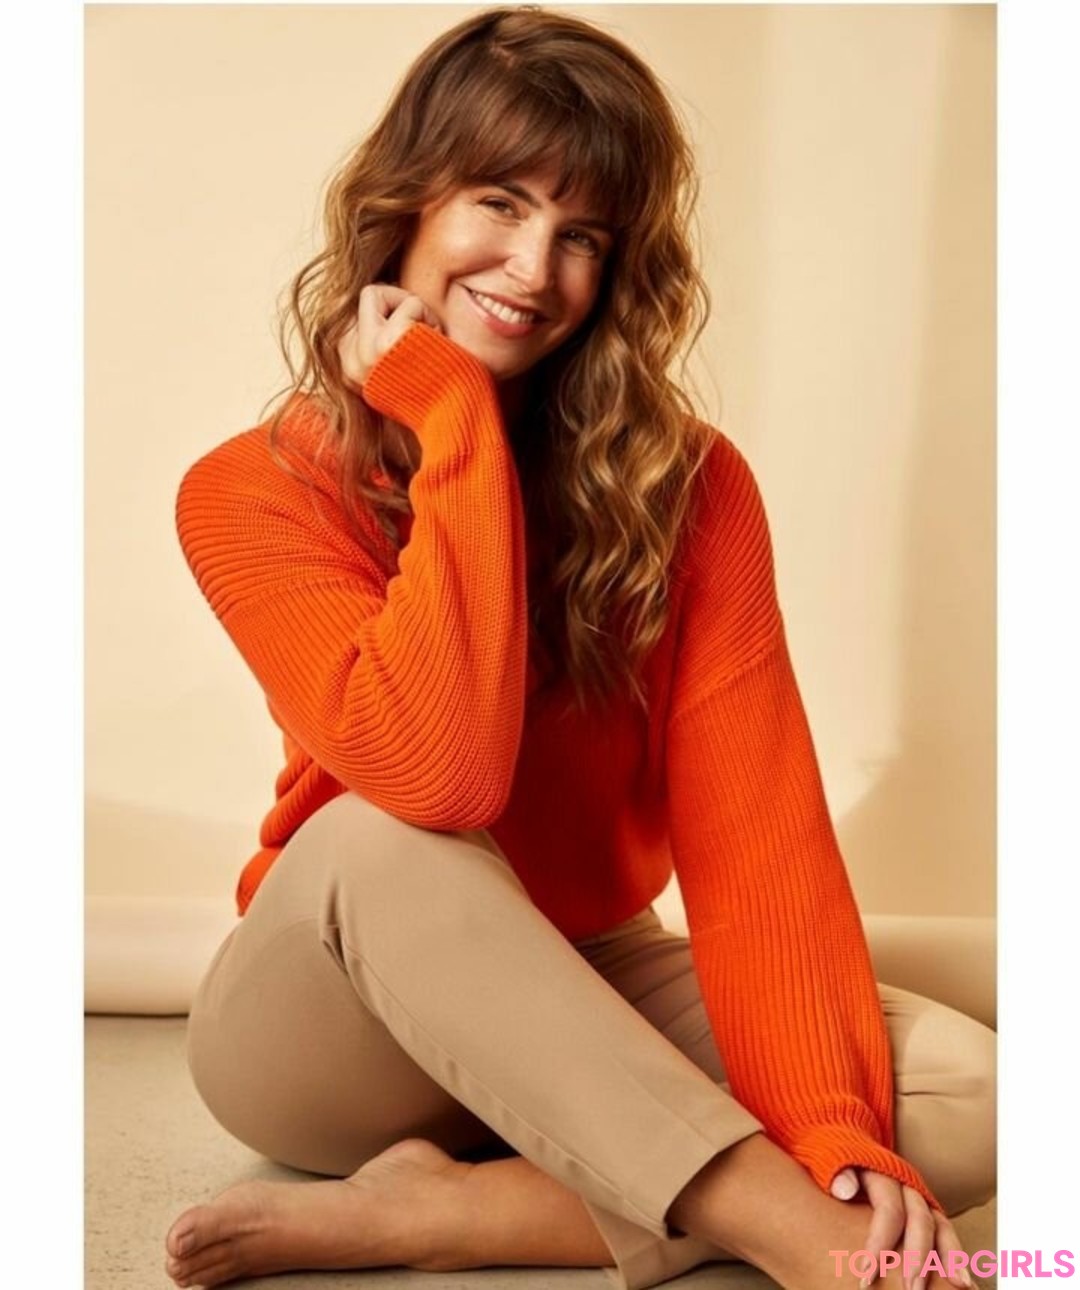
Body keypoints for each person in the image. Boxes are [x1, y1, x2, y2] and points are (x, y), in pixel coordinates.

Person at [164, 9, 995, 1290]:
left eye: (582, 236)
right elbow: (439, 775)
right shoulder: (250, 490)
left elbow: (757, 832)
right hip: (342, 1016)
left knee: (972, 1094)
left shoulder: (690, 488)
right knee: (379, 835)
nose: (533, 267)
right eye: (499, 204)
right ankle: (794, 1238)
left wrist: (832, 1119)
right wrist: (453, 418)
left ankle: (449, 1216)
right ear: (408, 204)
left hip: (581, 977)